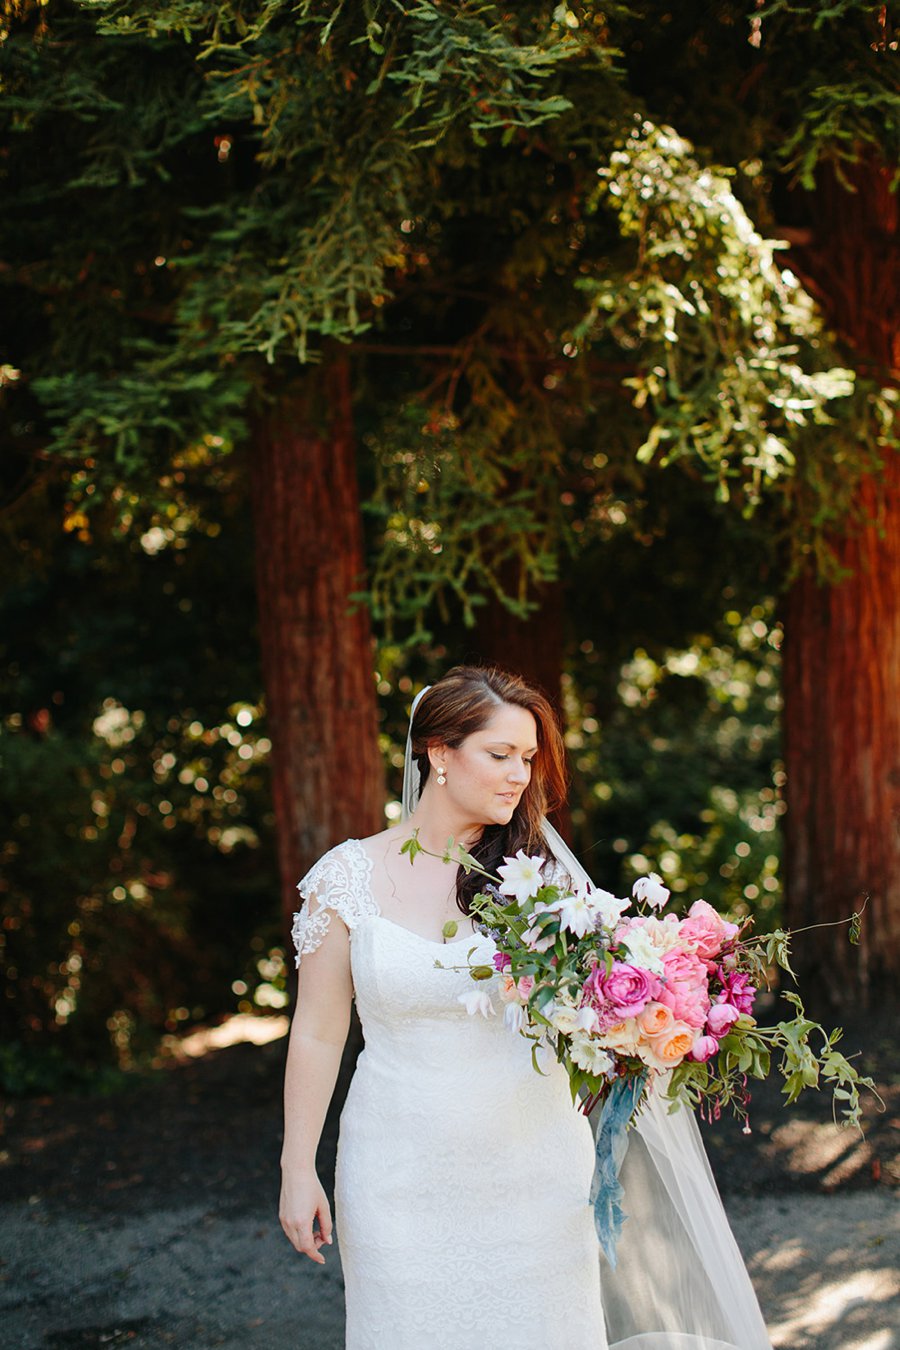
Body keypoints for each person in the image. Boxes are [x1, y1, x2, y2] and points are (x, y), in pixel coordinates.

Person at [279, 665, 773, 1350]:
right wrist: (296, 1168)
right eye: (500, 754)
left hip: (534, 1167)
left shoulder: (544, 883)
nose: (519, 775)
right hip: (396, 1168)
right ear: (440, 753)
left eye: (529, 758)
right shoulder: (346, 878)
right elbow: (318, 1032)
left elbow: (598, 1017)